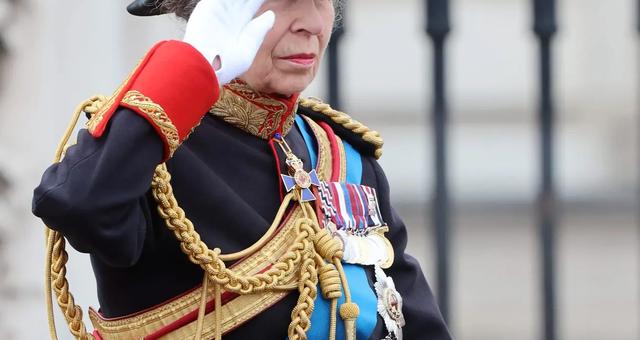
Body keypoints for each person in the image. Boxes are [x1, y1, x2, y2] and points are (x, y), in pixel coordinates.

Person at [33, 0, 451, 339]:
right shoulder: (145, 148)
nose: (309, 21)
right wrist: (190, 67)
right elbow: (76, 204)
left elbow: (414, 321)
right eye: (279, 0)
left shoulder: (343, 157)